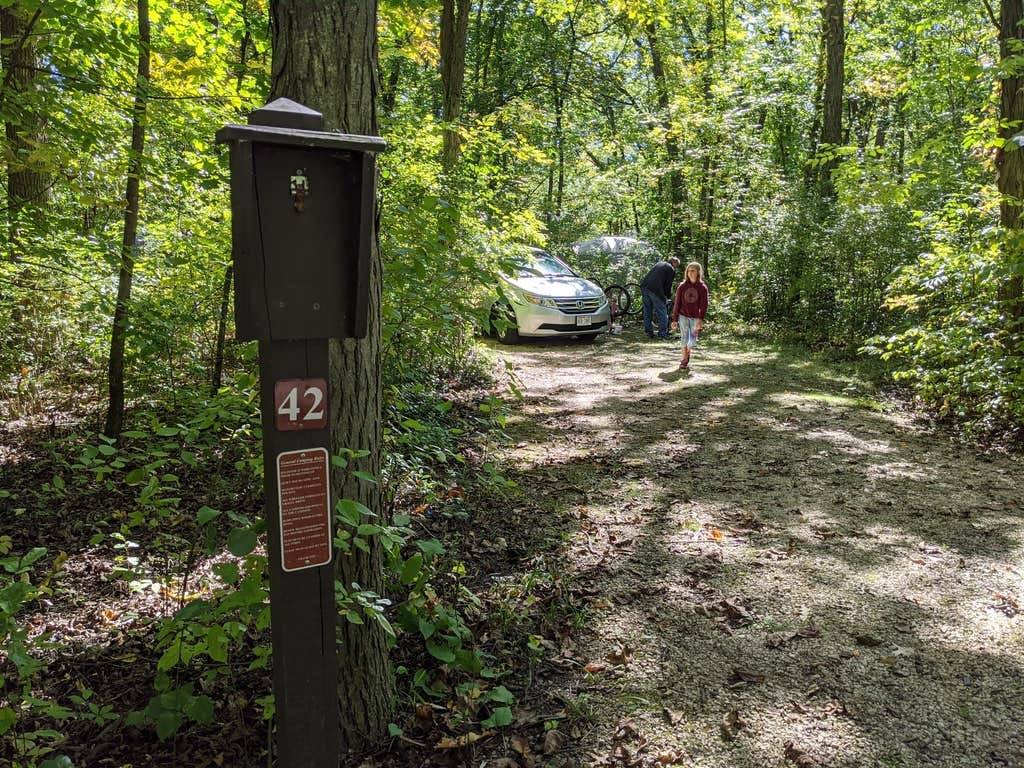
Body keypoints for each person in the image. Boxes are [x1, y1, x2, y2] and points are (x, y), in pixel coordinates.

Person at [670, 261, 709, 369]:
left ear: (698, 272)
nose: (690, 273)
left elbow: (704, 304)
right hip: (683, 316)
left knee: (692, 340)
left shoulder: (702, 287)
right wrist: (675, 319)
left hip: (696, 317)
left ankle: (688, 352)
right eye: (688, 271)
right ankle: (684, 359)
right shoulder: (682, 286)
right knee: (684, 337)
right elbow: (677, 303)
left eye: (693, 271)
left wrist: (701, 319)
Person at [640, 256, 680, 339]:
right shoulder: (671, 269)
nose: (676, 267)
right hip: (655, 289)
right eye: (677, 265)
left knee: (647, 310)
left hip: (645, 286)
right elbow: (668, 286)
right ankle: (662, 334)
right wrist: (667, 297)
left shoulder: (659, 263)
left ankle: (649, 332)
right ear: (674, 263)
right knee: (662, 311)